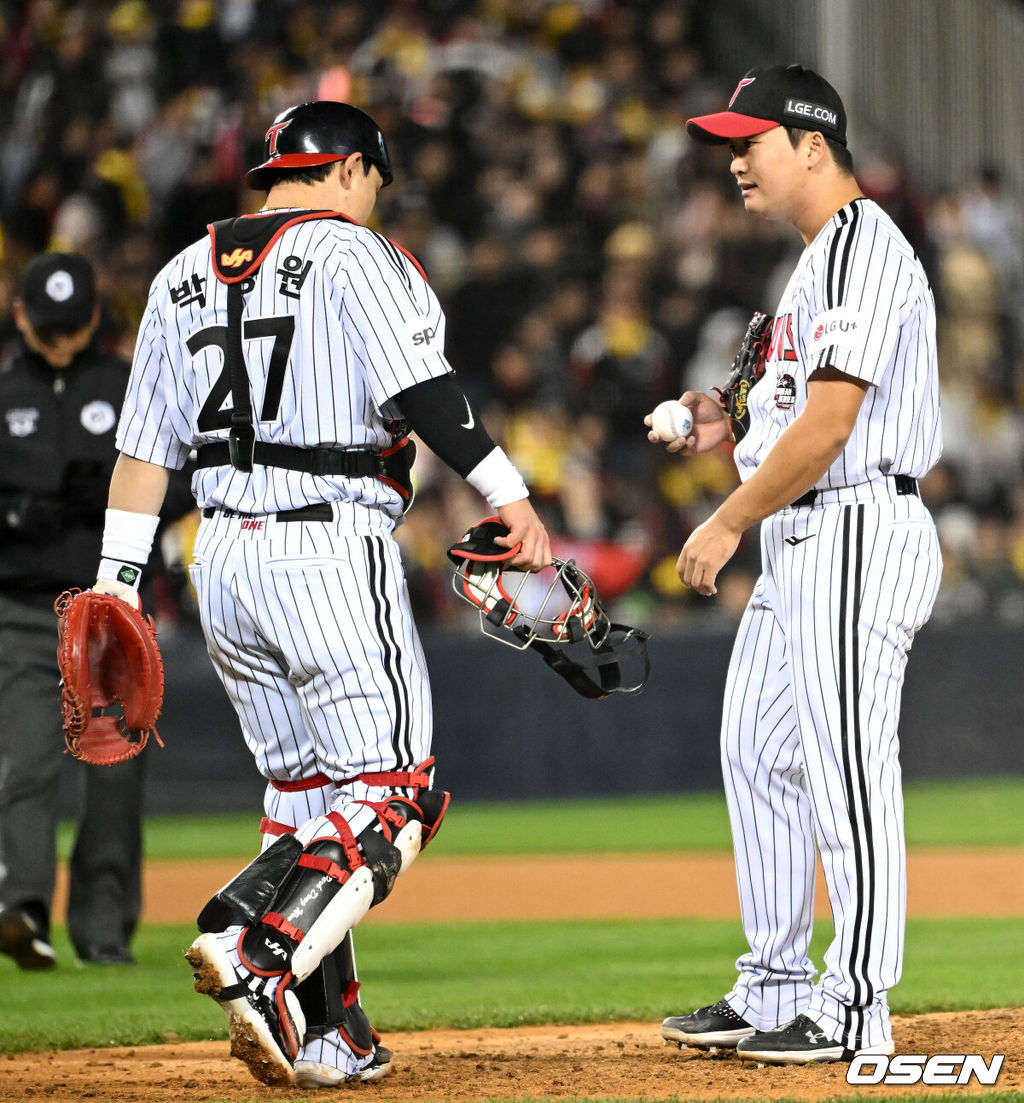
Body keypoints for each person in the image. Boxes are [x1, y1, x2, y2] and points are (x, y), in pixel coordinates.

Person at [92, 100, 549, 1087]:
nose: (370, 198)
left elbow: (140, 455)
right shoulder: (351, 251)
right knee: (393, 797)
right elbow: (426, 391)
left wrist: (115, 585)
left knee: (307, 800)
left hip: (217, 557)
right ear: (345, 170)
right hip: (328, 546)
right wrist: (509, 492)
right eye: (372, 180)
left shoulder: (177, 274)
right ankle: (261, 946)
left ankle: (334, 1031)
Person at [653, 65, 942, 1064]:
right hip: (802, 534)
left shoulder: (864, 245)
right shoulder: (814, 262)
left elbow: (828, 425)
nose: (734, 159)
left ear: (811, 145)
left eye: (751, 140)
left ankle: (855, 1002)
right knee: (755, 749)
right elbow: (775, 403)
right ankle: (773, 983)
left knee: (846, 771)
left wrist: (726, 518)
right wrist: (712, 417)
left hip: (856, 524)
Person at [0, 253, 144, 967]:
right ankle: (23, 910)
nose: (59, 341)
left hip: (110, 613)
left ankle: (104, 929)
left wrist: (106, 504)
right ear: (20, 315)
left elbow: (175, 484)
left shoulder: (128, 385)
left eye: (71, 327)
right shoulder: (0, 390)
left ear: (93, 318)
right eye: (47, 327)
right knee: (23, 763)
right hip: (23, 608)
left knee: (115, 774)